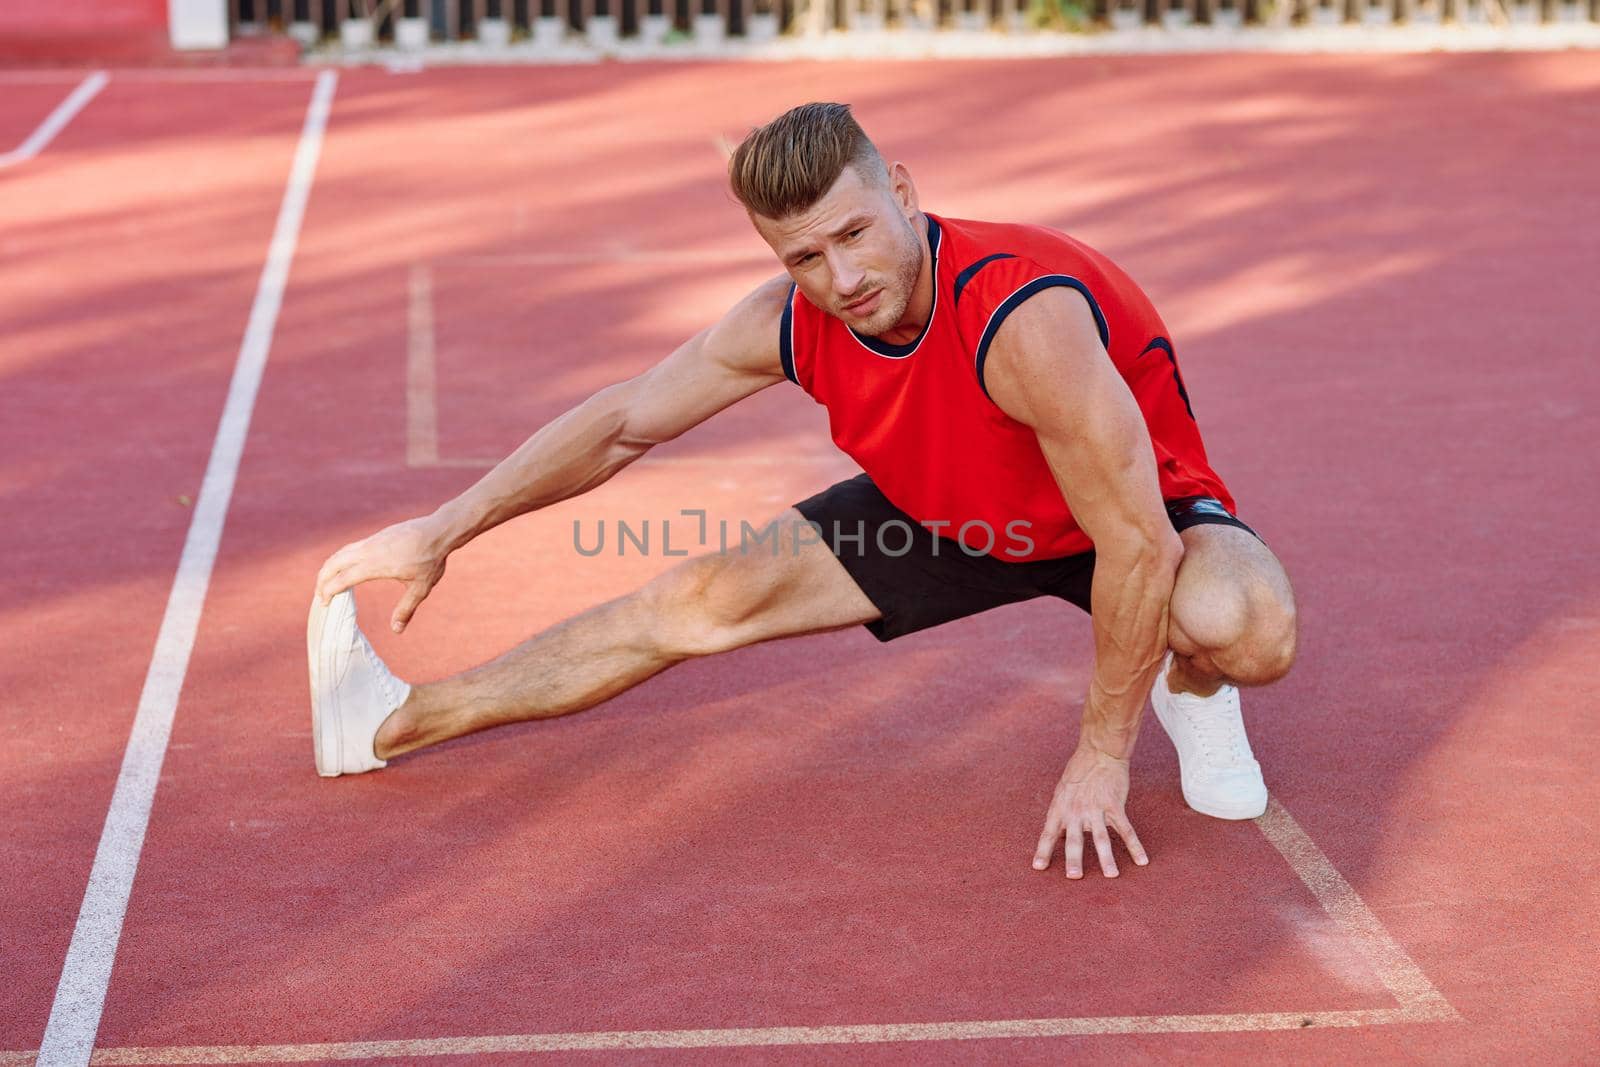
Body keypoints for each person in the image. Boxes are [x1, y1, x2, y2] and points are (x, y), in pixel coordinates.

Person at [309, 102, 1297, 882]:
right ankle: (391, 718)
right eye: (804, 258)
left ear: (902, 190)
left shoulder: (1021, 316)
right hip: (945, 514)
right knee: (688, 607)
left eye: (854, 233)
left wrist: (1100, 753)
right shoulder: (790, 317)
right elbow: (622, 420)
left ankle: (1187, 684)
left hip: (1125, 518)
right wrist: (447, 526)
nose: (842, 276)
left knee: (1240, 623)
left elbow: (1131, 544)